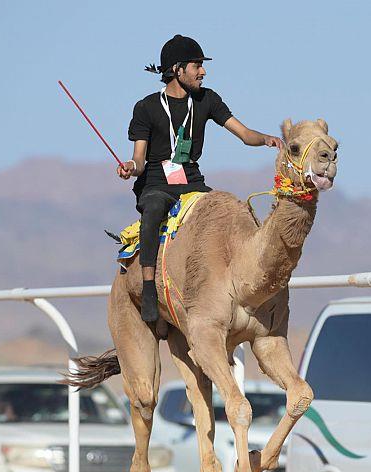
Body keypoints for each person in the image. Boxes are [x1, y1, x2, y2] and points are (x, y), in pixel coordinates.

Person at [117, 35, 283, 322]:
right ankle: (147, 288)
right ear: (177, 69)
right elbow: (140, 160)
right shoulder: (146, 107)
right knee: (154, 207)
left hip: (192, 182)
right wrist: (130, 166)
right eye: (197, 65)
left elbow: (244, 134)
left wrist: (265, 139)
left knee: (225, 210)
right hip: (157, 181)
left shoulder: (207, 99)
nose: (203, 71)